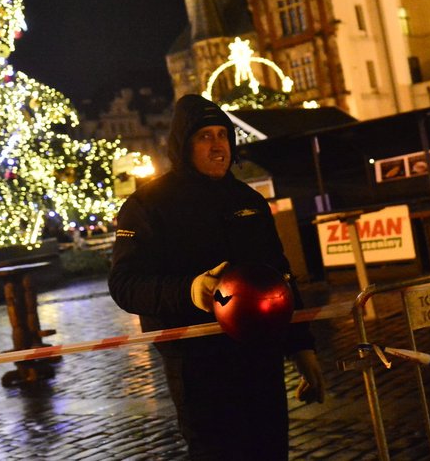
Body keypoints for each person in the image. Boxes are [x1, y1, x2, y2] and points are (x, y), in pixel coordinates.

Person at [108, 94, 325, 460]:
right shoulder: (148, 205)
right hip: (198, 363)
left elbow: (279, 273)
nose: (217, 145)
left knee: (270, 450)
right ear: (183, 144)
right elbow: (125, 284)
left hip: (260, 355)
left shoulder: (249, 201)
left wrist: (302, 348)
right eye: (204, 136)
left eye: (222, 134)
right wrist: (189, 290)